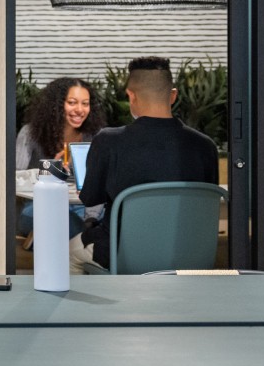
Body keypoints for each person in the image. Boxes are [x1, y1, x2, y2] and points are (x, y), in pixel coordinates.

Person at [76, 56, 219, 271]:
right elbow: (207, 202)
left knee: (65, 255)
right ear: (173, 96)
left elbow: (90, 198)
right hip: (189, 253)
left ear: (130, 96)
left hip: (123, 252)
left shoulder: (108, 141)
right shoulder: (205, 146)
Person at [14, 77, 105, 239]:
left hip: (81, 206)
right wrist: (52, 169)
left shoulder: (96, 135)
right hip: (39, 205)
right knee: (62, 219)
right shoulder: (30, 133)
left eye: (85, 103)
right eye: (72, 102)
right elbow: (16, 179)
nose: (80, 109)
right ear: (55, 105)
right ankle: (83, 239)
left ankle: (42, 239)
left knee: (103, 216)